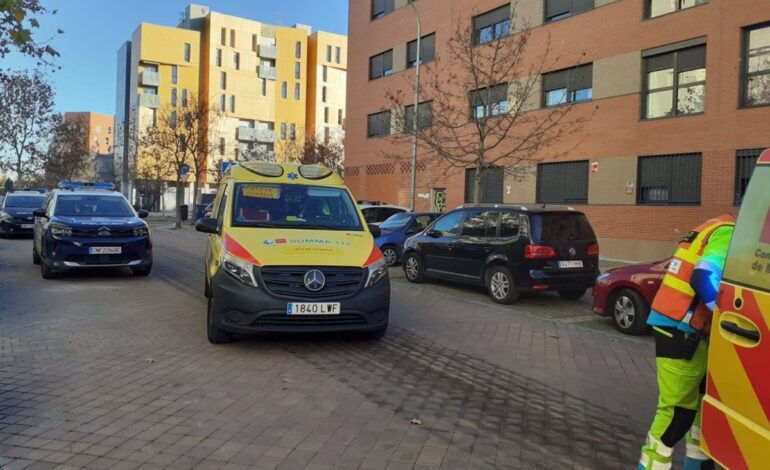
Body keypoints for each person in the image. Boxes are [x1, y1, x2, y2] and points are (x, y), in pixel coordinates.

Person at [639, 214, 735, 470]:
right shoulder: (728, 232)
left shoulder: (712, 226)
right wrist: (729, 317)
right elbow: (704, 276)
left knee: (701, 416)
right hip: (682, 328)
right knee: (676, 414)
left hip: (684, 327)